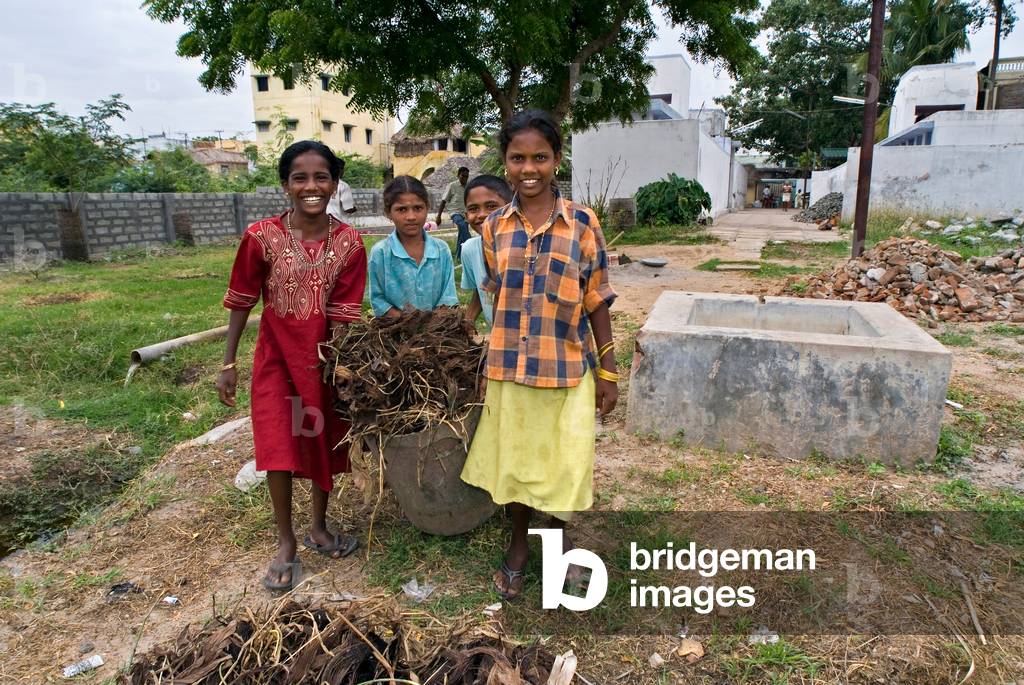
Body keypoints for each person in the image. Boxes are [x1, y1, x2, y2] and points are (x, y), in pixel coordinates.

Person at [460, 109, 618, 600]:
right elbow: (491, 297)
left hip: (567, 367)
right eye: (517, 158)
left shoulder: (584, 224)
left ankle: (561, 546)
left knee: (563, 465)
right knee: (517, 464)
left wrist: (609, 372)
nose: (529, 168)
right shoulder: (492, 229)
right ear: (505, 162)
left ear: (556, 159)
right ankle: (517, 547)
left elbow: (597, 300)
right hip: (510, 368)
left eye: (540, 157)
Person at [217, 140, 368, 592]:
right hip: (275, 362)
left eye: (321, 177)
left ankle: (319, 527)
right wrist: (228, 362)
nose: (311, 186)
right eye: (300, 178)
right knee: (278, 447)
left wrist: (340, 371)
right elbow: (242, 300)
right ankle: (286, 541)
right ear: (285, 185)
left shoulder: (349, 243)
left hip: (322, 365)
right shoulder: (260, 237)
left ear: (334, 183)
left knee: (320, 441)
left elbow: (344, 313)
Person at [369, 175, 458, 318]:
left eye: (417, 208)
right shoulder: (381, 253)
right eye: (402, 209)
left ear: (427, 208)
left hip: (439, 331)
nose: (411, 217)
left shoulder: (441, 250)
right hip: (395, 332)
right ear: (388, 213)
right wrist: (406, 322)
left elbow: (448, 297)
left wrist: (432, 326)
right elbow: (378, 300)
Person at [460, 174, 512, 330]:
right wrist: (468, 321)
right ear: (465, 215)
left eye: (491, 206)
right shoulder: (469, 249)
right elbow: (481, 289)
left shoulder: (524, 248)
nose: (482, 214)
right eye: (473, 209)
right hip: (498, 340)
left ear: (510, 208)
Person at [435, 166, 471, 260]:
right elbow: (443, 201)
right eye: (463, 176)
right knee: (462, 226)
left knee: (461, 233)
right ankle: (473, 245)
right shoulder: (452, 186)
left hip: (465, 213)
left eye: (466, 176)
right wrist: (438, 216)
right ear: (458, 176)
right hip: (454, 212)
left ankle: (458, 256)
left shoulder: (468, 187)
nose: (465, 178)